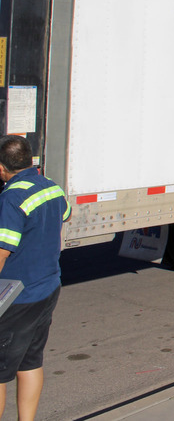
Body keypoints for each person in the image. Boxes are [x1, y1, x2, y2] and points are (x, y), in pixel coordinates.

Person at [0, 135, 68, 420]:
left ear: (2, 167)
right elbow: (66, 213)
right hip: (48, 287)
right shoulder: (51, 187)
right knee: (30, 362)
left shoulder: (12, 197)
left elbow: (2, 251)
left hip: (18, 297)